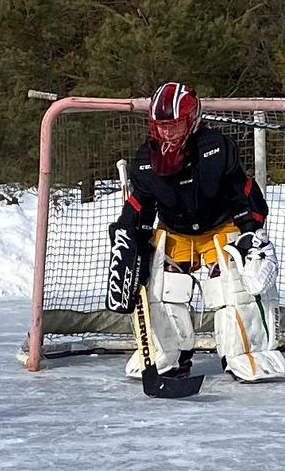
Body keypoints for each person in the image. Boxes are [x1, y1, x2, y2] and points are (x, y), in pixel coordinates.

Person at [106, 82, 285, 383]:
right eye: (161, 127)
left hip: (221, 227)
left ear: (191, 121)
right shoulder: (144, 161)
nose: (167, 133)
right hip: (175, 233)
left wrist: (252, 234)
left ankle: (247, 352)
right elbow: (140, 205)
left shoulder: (216, 148)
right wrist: (128, 238)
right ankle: (168, 354)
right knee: (162, 290)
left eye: (174, 126)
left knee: (233, 287)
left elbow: (243, 192)